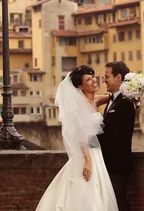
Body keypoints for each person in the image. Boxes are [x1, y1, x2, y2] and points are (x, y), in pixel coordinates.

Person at [36, 65, 118, 210]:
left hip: (97, 153)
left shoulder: (96, 100)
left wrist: (132, 89)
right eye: (88, 79)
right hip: (88, 154)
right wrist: (87, 160)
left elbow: (115, 97)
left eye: (93, 77)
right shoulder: (78, 106)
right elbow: (80, 134)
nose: (94, 80)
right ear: (80, 86)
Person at [98, 61, 136, 211]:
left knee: (118, 201)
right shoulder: (113, 100)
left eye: (107, 76)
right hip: (111, 164)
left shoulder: (125, 102)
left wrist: (90, 140)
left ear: (118, 77)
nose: (104, 80)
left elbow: (116, 135)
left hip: (118, 164)